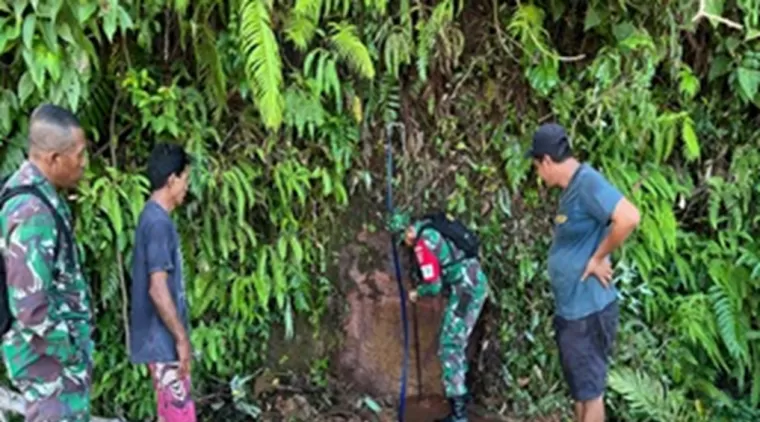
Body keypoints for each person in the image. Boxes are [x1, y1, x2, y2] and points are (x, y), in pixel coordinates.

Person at [525, 123, 641, 422]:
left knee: (591, 395)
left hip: (588, 310)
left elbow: (628, 217)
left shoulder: (587, 183)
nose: (538, 174)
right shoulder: (572, 189)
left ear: (547, 161)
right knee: (581, 393)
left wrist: (598, 257)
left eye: (537, 166)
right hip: (573, 312)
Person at [0, 104, 92, 421]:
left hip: (50, 362)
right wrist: (70, 351)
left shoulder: (35, 194)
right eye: (79, 155)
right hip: (49, 367)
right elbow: (30, 307)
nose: (83, 164)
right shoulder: (31, 211)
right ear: (53, 158)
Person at [388, 211, 488, 422]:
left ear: (408, 231)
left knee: (450, 345)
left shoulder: (423, 244)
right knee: (455, 343)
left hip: (466, 291)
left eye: (403, 240)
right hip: (471, 282)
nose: (405, 245)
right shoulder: (431, 226)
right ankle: (460, 399)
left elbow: (434, 285)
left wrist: (418, 293)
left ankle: (459, 414)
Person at [129, 143, 196, 422]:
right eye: (185, 180)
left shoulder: (150, 217)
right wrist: (181, 339)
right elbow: (158, 289)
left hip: (157, 342)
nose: (186, 188)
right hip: (164, 341)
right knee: (181, 416)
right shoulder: (158, 224)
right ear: (172, 180)